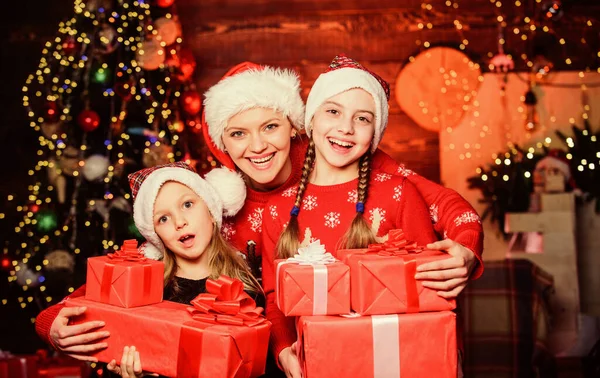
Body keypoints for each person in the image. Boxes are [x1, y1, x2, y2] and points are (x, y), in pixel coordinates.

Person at [36, 61, 483, 365]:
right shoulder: (216, 206)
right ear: (221, 144)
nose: (257, 146)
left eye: (270, 126)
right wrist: (54, 318)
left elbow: (443, 203)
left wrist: (464, 251)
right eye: (238, 134)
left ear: (293, 124)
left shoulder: (347, 159)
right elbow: (143, 262)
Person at [262, 55, 457, 377]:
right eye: (333, 111)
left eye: (363, 118)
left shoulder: (398, 194)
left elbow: (434, 295)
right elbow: (274, 299)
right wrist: (284, 351)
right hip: (318, 365)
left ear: (375, 134)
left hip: (399, 365)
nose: (345, 128)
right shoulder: (278, 209)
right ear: (311, 119)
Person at [37, 162, 261, 375]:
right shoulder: (142, 283)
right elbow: (62, 309)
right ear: (154, 234)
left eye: (187, 204)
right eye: (163, 218)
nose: (179, 221)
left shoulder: (244, 289)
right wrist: (50, 327)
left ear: (211, 211)